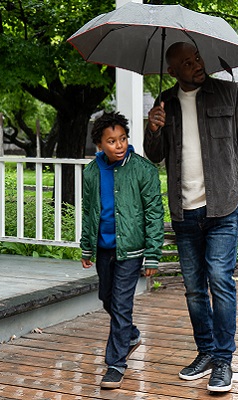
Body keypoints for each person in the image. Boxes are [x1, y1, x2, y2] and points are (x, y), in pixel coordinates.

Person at [144, 42, 238, 393]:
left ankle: (224, 360)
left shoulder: (229, 94)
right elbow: (154, 155)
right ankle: (207, 352)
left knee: (219, 278)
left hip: (223, 206)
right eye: (186, 62)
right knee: (195, 289)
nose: (196, 65)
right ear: (172, 71)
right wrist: (153, 128)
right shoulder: (164, 103)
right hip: (184, 211)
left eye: (196, 58)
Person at [81, 111, 164, 390]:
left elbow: (154, 213)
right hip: (104, 249)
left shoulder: (143, 169)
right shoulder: (91, 172)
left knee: (121, 303)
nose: (119, 145)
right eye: (112, 141)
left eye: (123, 139)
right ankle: (131, 334)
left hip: (131, 249)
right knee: (106, 296)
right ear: (99, 144)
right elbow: (88, 212)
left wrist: (153, 252)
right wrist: (86, 247)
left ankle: (115, 365)